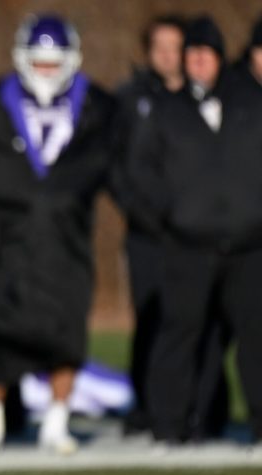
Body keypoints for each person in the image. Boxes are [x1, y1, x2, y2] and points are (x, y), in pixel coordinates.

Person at [0, 14, 114, 454]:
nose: (46, 70)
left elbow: (108, 162)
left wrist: (59, 195)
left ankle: (57, 419)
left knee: (66, 329)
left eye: (53, 62)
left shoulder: (97, 106)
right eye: (39, 62)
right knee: (1, 329)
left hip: (68, 239)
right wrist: (30, 194)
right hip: (9, 237)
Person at [132, 16, 262, 444]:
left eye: (206, 54)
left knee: (255, 339)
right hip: (188, 245)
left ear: (221, 59)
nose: (199, 62)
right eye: (192, 55)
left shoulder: (250, 101)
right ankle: (168, 427)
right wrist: (169, 218)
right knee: (180, 338)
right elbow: (140, 172)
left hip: (248, 245)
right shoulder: (166, 110)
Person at [113, 15, 229, 439]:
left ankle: (206, 409)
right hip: (150, 233)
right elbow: (121, 167)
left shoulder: (214, 99)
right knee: (154, 320)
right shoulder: (131, 99)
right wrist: (148, 214)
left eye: (174, 47)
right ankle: (149, 407)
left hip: (202, 235)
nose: (167, 55)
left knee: (209, 323)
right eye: (158, 46)